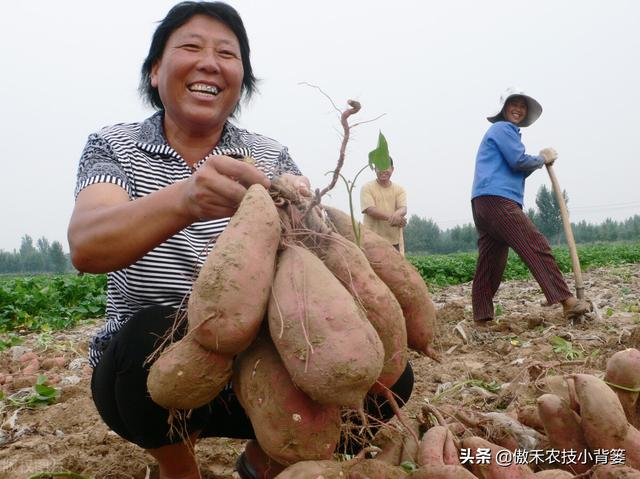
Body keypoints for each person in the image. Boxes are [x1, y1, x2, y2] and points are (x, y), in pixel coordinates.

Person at [67, 3, 413, 479]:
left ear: (242, 81)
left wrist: (307, 218)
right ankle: (179, 469)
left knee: (383, 372)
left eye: (227, 54)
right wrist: (186, 198)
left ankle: (262, 464)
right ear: (154, 72)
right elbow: (87, 246)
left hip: (268, 356)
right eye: (190, 47)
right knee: (142, 340)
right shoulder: (113, 146)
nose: (209, 62)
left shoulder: (269, 155)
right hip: (162, 368)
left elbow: (312, 249)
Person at [470, 87, 589, 325]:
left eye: (523, 107)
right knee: (535, 245)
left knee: (490, 262)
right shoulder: (503, 128)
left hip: (483, 201)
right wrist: (542, 158)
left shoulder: (503, 134)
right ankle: (567, 301)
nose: (518, 109)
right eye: (514, 104)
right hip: (497, 200)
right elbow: (518, 162)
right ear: (504, 108)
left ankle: (482, 318)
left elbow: (517, 168)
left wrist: (535, 162)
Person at [360, 158, 407, 254]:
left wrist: (397, 215)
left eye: (386, 167)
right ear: (375, 169)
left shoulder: (399, 189)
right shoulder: (367, 188)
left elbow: (403, 208)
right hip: (371, 240)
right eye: (379, 167)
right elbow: (370, 210)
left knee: (396, 268)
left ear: (392, 169)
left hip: (394, 242)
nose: (383, 171)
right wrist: (394, 218)